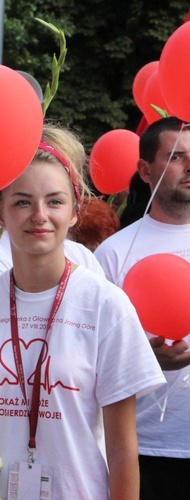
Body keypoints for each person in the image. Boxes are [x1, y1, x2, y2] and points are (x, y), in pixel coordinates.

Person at [0, 125, 165, 499]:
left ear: (75, 212)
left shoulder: (106, 306)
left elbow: (123, 450)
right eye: (23, 201)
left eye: (55, 201)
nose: (39, 215)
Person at [95, 116, 190, 500]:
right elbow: (91, 353)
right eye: (177, 157)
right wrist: (146, 362)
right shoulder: (115, 254)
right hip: (143, 448)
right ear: (145, 170)